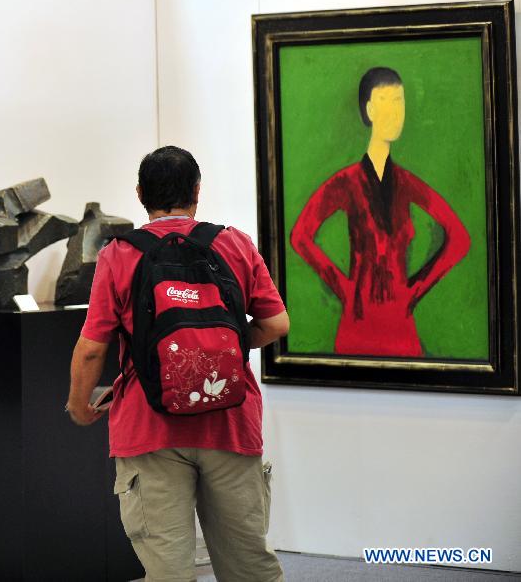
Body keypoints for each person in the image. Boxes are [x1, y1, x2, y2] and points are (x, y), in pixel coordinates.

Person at [67, 146, 289, 581]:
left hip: (149, 430)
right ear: (197, 191)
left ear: (139, 194)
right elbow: (276, 323)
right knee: (249, 566)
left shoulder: (118, 254)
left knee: (168, 570)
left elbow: (93, 346)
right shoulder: (234, 243)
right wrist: (222, 354)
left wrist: (79, 406)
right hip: (230, 424)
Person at [290, 67, 470, 357]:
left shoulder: (408, 184)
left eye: (399, 101)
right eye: (386, 101)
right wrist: (345, 289)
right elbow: (300, 236)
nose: (395, 112)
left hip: (402, 325)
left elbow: (460, 238)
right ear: (370, 109)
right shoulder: (345, 183)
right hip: (356, 322)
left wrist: (417, 288)